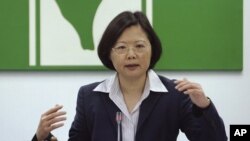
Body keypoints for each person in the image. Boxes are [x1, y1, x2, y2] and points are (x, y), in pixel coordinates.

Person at [34, 11, 227, 141]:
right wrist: (41, 137)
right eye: (121, 48)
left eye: (140, 46)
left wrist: (204, 106)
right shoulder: (89, 96)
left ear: (153, 50)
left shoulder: (175, 94)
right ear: (108, 53)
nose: (131, 55)